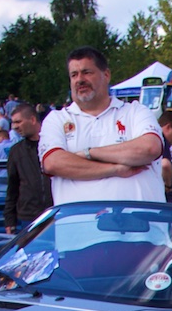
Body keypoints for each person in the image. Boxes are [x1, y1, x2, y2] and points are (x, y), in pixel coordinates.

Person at [39, 46, 164, 203]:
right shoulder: (56, 119)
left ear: (106, 75)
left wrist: (88, 153)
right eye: (74, 75)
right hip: (77, 225)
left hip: (140, 224)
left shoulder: (135, 111)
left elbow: (149, 148)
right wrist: (115, 169)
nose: (80, 80)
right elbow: (53, 163)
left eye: (87, 72)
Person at [4, 104, 52, 233]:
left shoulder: (53, 145)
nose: (14, 127)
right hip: (28, 217)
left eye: (18, 122)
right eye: (13, 123)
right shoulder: (16, 151)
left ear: (32, 119)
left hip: (54, 213)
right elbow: (12, 187)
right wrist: (10, 220)